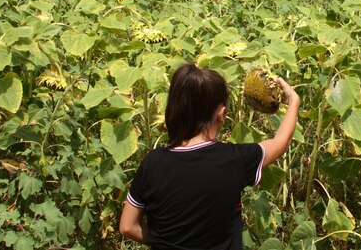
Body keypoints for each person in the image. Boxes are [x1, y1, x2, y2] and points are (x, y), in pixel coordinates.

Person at [119, 63, 300, 249]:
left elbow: (127, 227)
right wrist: (293, 102)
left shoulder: (153, 163)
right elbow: (281, 142)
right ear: (221, 114)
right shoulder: (234, 159)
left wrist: (162, 241)